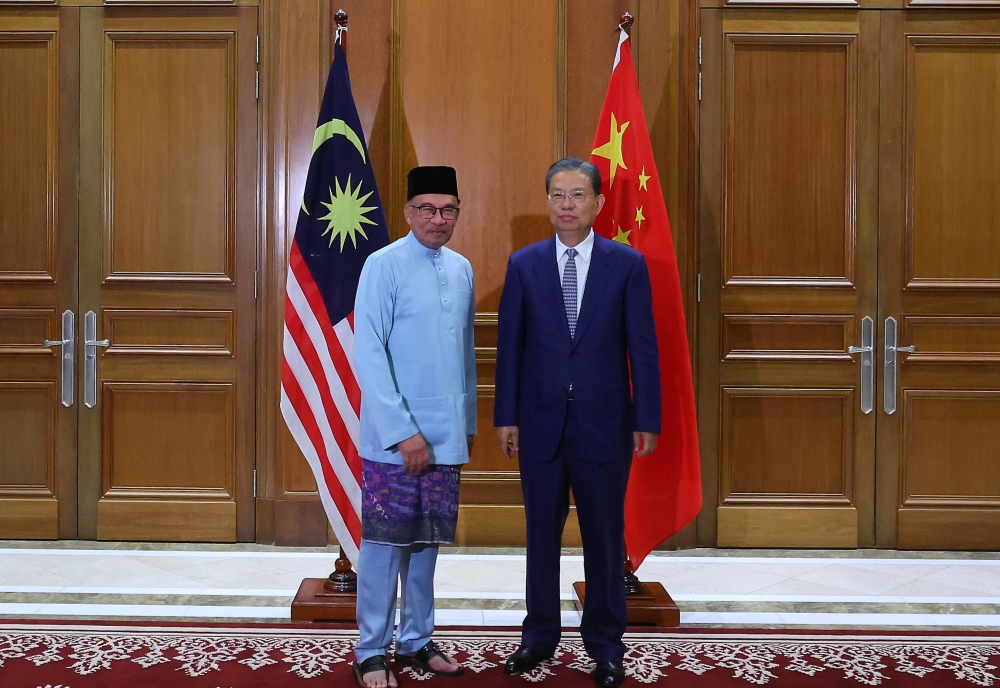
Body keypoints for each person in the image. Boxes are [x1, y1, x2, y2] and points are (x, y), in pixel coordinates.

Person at [494, 157, 661, 688]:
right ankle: (539, 636)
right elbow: (510, 349)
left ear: (598, 202)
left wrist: (646, 416)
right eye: (558, 195)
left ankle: (606, 645)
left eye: (578, 195)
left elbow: (643, 349)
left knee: (604, 539)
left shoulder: (626, 264)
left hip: (604, 425)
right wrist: (505, 416)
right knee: (540, 535)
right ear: (547, 201)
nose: (567, 205)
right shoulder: (524, 264)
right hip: (539, 423)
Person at [352, 166, 476, 688]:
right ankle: (370, 650)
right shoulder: (383, 265)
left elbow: (464, 352)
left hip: (446, 437)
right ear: (408, 213)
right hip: (395, 440)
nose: (437, 218)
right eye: (427, 208)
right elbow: (368, 353)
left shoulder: (462, 268)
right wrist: (404, 432)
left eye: (448, 209)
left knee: (426, 545)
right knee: (385, 546)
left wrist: (466, 423)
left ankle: (417, 640)